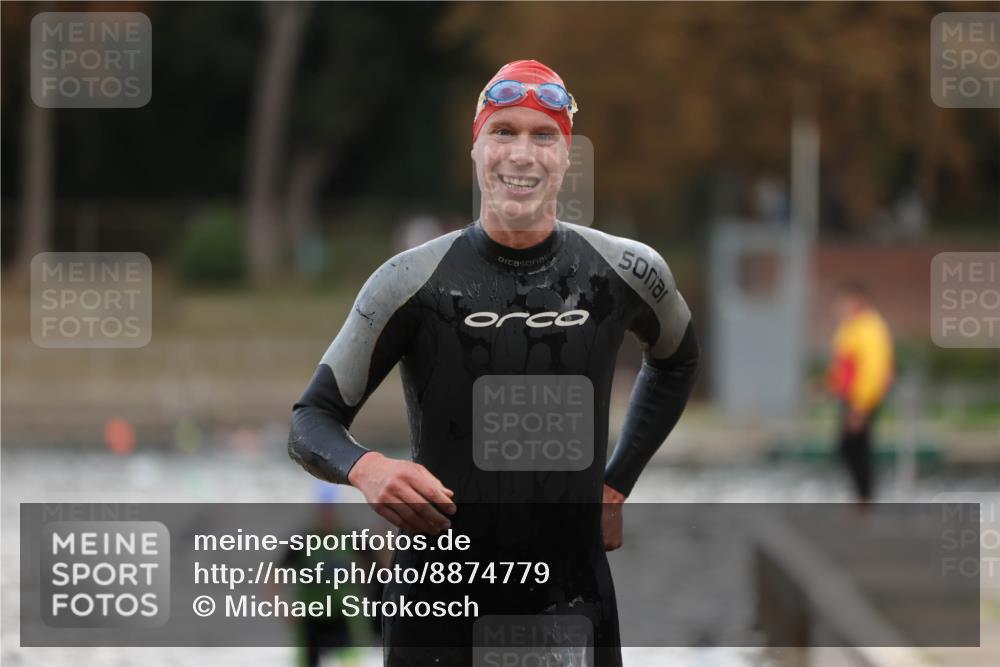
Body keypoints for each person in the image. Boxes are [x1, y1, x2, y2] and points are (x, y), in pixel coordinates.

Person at [288, 59, 699, 666]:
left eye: (543, 135)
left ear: (566, 156)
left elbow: (677, 362)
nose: (522, 154)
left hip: (569, 602)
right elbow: (310, 420)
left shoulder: (624, 273)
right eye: (503, 131)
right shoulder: (409, 281)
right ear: (475, 149)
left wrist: (617, 481)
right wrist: (366, 467)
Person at [826, 280, 894, 504]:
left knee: (855, 448)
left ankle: (865, 500)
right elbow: (845, 365)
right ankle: (861, 498)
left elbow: (873, 370)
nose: (840, 307)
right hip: (852, 397)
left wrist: (861, 406)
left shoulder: (870, 329)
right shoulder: (852, 327)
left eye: (845, 302)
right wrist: (828, 384)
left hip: (861, 400)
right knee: (849, 448)